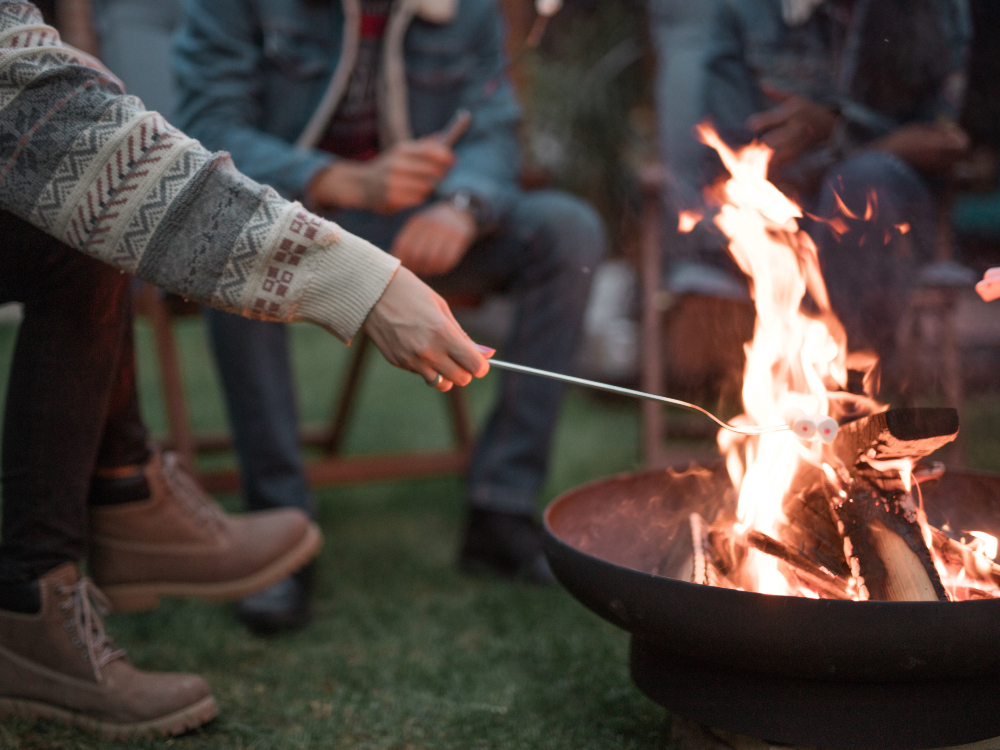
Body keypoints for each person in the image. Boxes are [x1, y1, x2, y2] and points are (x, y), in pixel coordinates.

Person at [0, 1, 488, 737]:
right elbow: (47, 119)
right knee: (83, 191)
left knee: (77, 222)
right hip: (314, 197)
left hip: (409, 212)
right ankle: (44, 583)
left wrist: (463, 203)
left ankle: (117, 502)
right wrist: (363, 281)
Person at [171, 0, 607, 630]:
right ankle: (280, 524)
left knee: (567, 231)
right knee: (234, 240)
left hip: (414, 224)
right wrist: (341, 179)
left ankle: (501, 507)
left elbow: (491, 129)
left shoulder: (467, 9)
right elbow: (208, 130)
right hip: (286, 216)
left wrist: (462, 206)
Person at [702, 0, 971, 376]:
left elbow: (945, 141)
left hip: (890, 221)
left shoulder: (931, 9)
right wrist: (869, 141)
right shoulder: (746, 11)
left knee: (861, 185)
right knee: (800, 203)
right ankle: (819, 391)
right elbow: (733, 148)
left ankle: (844, 386)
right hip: (778, 216)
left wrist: (835, 132)